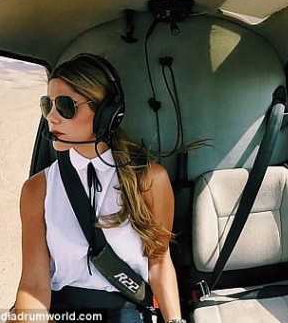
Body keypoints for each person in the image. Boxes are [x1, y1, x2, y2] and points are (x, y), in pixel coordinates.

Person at [10, 54, 185, 323]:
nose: (52, 118)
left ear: (106, 114)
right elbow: (34, 283)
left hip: (126, 309)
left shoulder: (149, 180)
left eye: (65, 106)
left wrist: (175, 321)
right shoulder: (37, 189)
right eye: (47, 105)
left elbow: (159, 263)